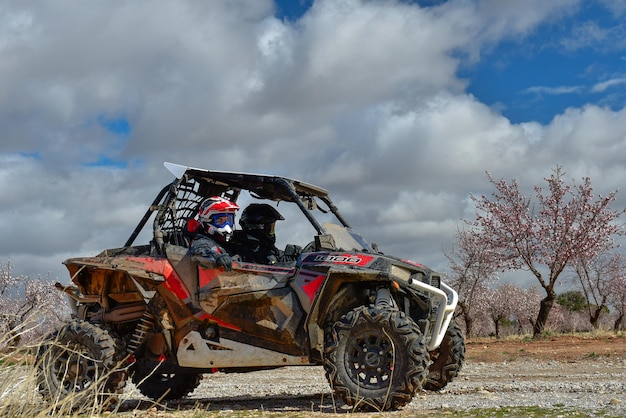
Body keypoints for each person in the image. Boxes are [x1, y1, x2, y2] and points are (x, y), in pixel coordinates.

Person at [233, 203, 299, 265]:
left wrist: (298, 256)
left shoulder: (268, 248)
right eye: (270, 228)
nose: (271, 232)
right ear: (257, 227)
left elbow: (280, 257)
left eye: (272, 228)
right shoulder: (240, 249)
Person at [187, 196, 240, 272]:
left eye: (229, 220)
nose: (226, 225)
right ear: (207, 221)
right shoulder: (202, 241)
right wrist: (218, 258)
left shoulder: (230, 243)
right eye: (220, 220)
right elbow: (199, 253)